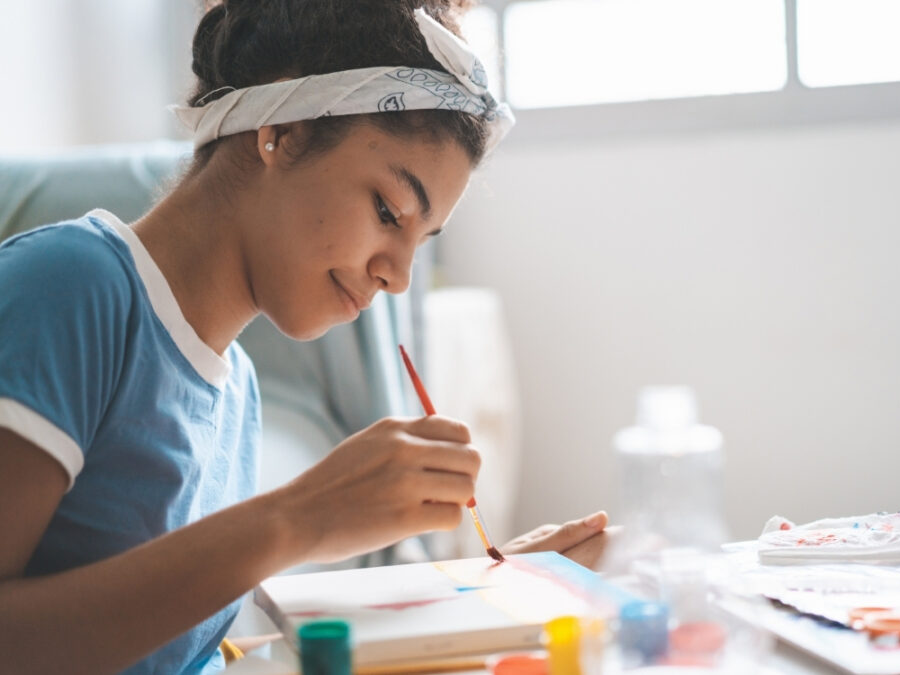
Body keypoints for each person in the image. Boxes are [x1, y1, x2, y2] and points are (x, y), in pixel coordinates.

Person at [0, 1, 610, 673]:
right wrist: (294, 519)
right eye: (387, 210)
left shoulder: (237, 391)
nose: (398, 276)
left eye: (420, 241)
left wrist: (476, 592)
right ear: (282, 132)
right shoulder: (71, 285)